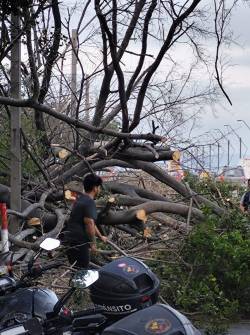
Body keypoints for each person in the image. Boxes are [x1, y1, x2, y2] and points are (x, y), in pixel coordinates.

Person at [65, 173, 107, 268]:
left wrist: (100, 236)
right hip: (79, 242)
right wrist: (93, 244)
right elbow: (89, 223)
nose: (99, 189)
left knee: (76, 269)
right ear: (95, 188)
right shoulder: (89, 202)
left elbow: (91, 222)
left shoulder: (80, 200)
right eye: (99, 187)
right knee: (82, 271)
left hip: (70, 240)